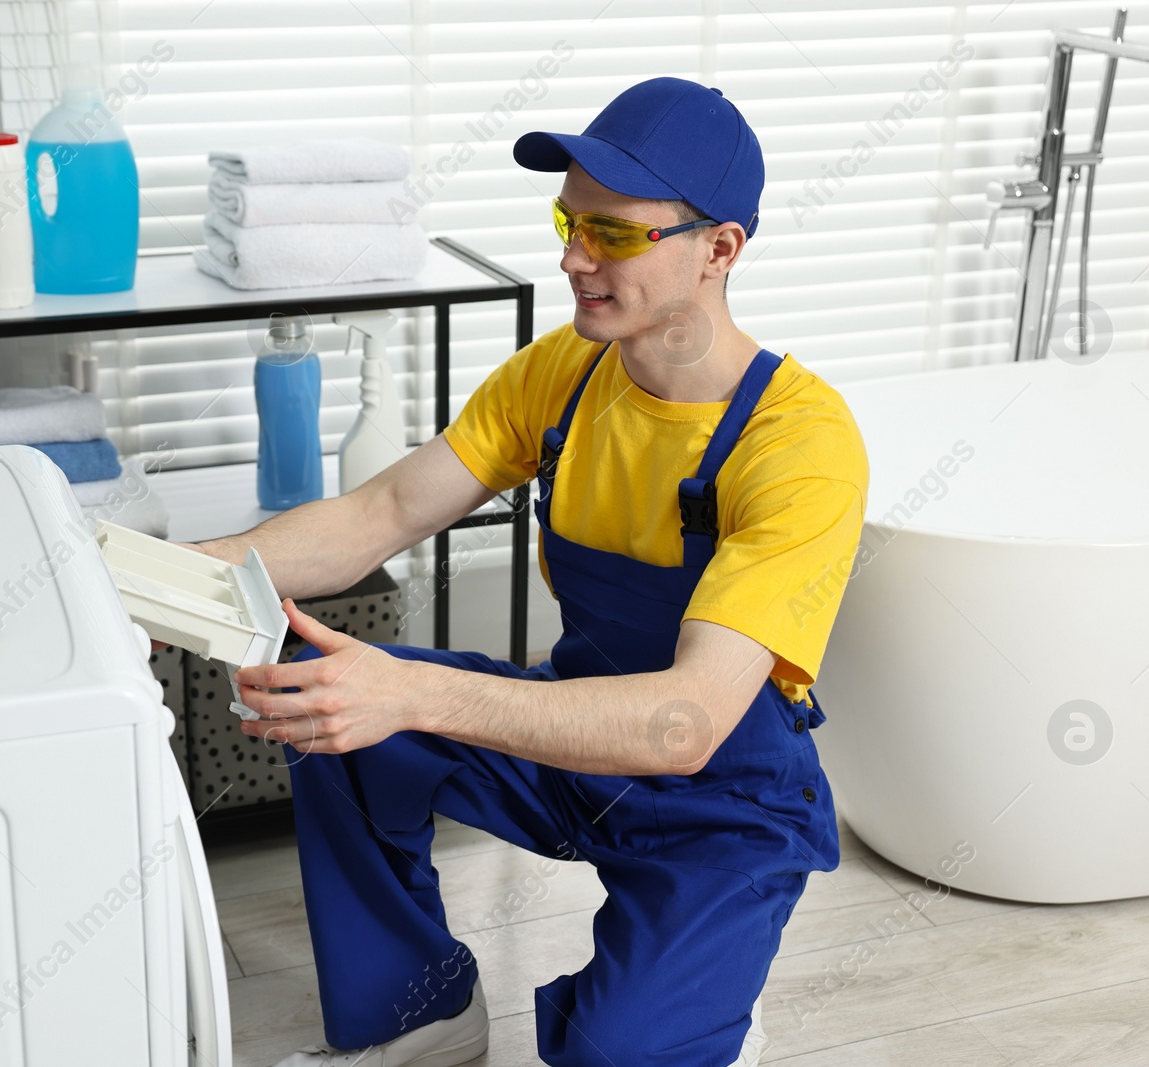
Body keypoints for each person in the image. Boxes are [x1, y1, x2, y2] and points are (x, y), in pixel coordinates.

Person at [182, 77, 868, 1067]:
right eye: (568, 221)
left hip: (718, 795)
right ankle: (417, 1015)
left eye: (615, 235)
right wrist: (178, 575)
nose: (572, 257)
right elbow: (376, 514)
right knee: (324, 700)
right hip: (576, 736)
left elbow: (681, 725)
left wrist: (408, 688)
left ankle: (705, 1010)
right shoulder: (566, 373)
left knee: (614, 1050)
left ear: (720, 248)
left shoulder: (797, 443)